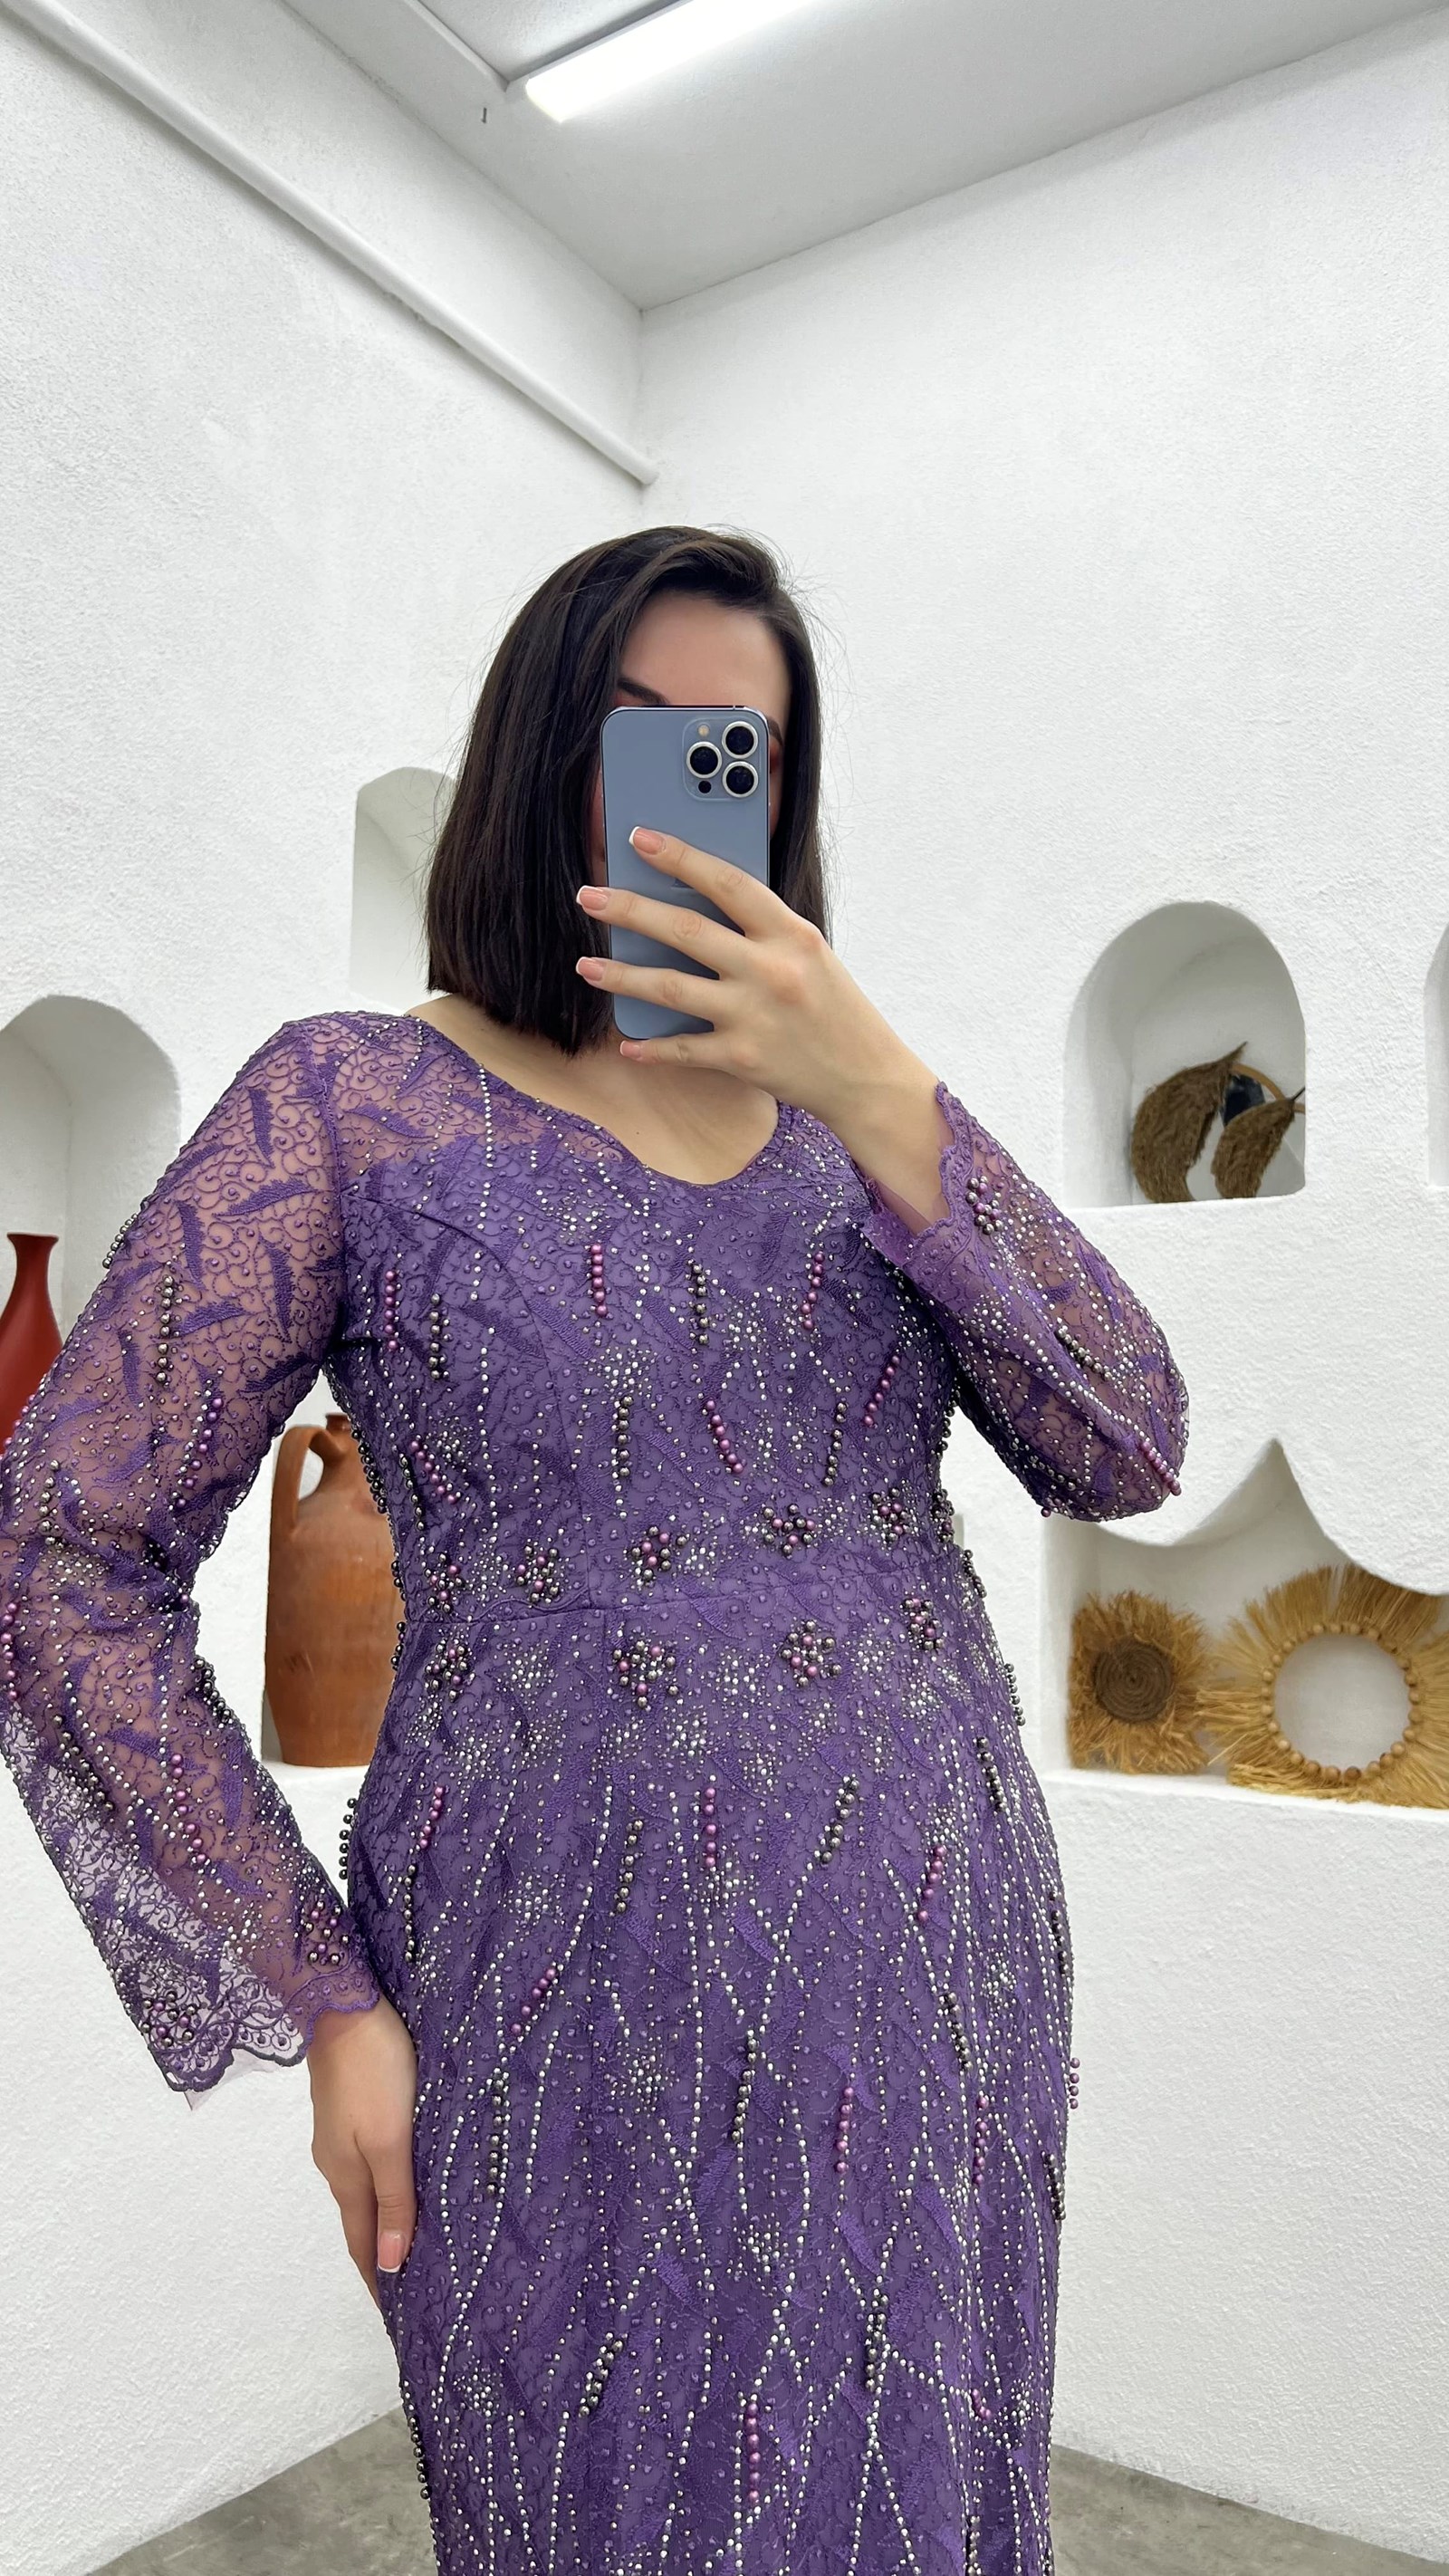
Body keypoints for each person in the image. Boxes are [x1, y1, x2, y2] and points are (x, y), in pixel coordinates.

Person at [0, 526, 1187, 2576]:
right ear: (538, 752)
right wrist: (320, 1991)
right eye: (640, 735)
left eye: (742, 754)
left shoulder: (856, 1132)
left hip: (924, 1951)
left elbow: (1126, 1438)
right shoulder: (351, 1104)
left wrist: (876, 1081)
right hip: (550, 1977)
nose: (685, 793)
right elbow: (62, 1551)